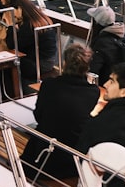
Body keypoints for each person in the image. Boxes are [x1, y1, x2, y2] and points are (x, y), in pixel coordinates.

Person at [20, 44, 101, 179]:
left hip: (43, 151)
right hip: (71, 157)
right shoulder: (93, 92)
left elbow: (38, 115)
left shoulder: (48, 85)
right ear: (87, 67)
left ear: (64, 63)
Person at [8, 0, 59, 83]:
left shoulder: (29, 25)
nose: (13, 14)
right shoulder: (41, 19)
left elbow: (13, 45)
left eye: (13, 11)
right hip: (49, 61)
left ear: (19, 9)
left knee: (8, 64)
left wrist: (11, 26)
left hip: (39, 64)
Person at [86, 6, 125, 86]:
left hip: (107, 84)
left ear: (96, 23)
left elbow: (93, 70)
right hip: (121, 80)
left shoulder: (101, 43)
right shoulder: (122, 36)